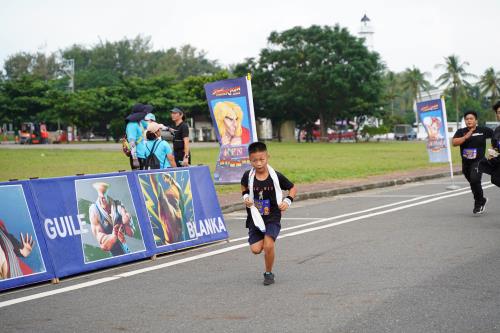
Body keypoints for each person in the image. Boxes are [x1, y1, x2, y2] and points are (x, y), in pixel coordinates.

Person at [241, 142, 297, 285]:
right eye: (255, 160)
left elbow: (292, 188)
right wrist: (245, 197)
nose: (259, 163)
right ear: (250, 160)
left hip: (273, 215)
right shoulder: (248, 176)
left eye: (262, 159)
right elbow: (244, 188)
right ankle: (265, 242)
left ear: (267, 157)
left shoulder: (275, 176)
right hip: (255, 217)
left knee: (268, 245)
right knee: (255, 249)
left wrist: (288, 201)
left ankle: (268, 273)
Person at [452, 111, 493, 214]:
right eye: (467, 119)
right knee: (473, 183)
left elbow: (496, 136)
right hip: (466, 163)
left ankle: (478, 203)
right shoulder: (461, 131)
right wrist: (465, 137)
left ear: (476, 120)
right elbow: (454, 143)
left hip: (479, 161)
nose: (469, 120)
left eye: (471, 119)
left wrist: (494, 149)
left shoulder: (483, 130)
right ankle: (481, 199)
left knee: (475, 180)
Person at [88, 182, 135, 256]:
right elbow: (103, 245)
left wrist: (126, 223)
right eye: (101, 197)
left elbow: (131, 233)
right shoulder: (94, 211)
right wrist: (113, 236)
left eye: (104, 196)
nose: (103, 199)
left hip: (127, 250)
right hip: (112, 255)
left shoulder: (118, 205)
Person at [479, 101, 500, 188]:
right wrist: (492, 155)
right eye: (499, 113)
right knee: (495, 179)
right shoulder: (497, 131)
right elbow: (494, 147)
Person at [125, 104, 148, 170]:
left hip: (143, 155)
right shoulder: (132, 125)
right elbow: (132, 142)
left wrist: (167, 128)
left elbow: (150, 126)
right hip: (137, 157)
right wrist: (135, 159)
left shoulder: (140, 123)